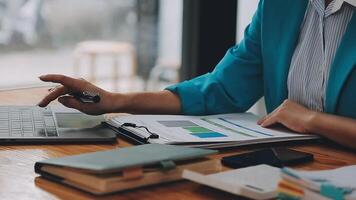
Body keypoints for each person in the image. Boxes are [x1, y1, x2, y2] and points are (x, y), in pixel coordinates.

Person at [38, 0, 356, 149]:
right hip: (292, 172)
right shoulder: (280, 6)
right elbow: (220, 89)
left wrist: (314, 121)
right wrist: (114, 100)